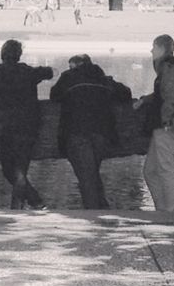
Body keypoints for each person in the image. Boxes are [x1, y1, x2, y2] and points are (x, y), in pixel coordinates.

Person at [50, 54, 132, 209]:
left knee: (87, 179)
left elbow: (54, 95)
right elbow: (126, 93)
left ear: (76, 65)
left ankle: (94, 218)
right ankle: (102, 213)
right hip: (103, 133)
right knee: (91, 175)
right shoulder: (104, 80)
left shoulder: (69, 77)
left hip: (77, 132)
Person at [0, 39, 53, 209]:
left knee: (10, 170)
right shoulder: (28, 72)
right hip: (28, 125)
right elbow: (49, 72)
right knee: (19, 170)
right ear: (19, 55)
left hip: (6, 125)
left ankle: (25, 205)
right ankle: (33, 203)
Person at [139, 33, 174, 211]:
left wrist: (166, 120)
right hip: (163, 124)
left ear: (162, 49)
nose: (151, 50)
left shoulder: (168, 67)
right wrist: (144, 100)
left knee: (164, 168)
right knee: (150, 171)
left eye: (154, 47)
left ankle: (171, 212)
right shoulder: (168, 67)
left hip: (167, 124)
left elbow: (171, 96)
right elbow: (163, 92)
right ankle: (163, 210)